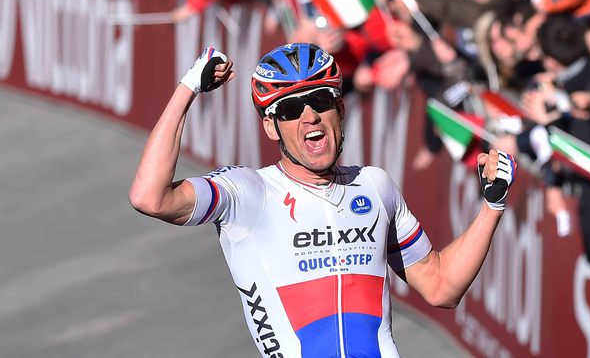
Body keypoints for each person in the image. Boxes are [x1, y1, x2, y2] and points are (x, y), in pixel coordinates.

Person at [129, 43, 516, 357]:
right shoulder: (248, 192)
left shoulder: (375, 186)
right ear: (271, 127)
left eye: (321, 100)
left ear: (341, 110)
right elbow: (151, 197)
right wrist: (187, 89)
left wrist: (492, 207)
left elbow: (442, 287)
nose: (310, 116)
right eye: (291, 109)